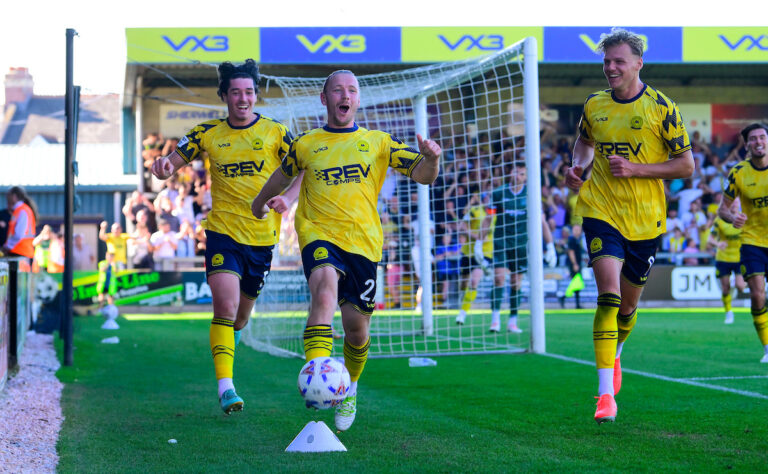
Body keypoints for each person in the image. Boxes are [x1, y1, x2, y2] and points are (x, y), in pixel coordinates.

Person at [250, 69, 441, 432]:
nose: (345, 95)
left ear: (358, 99)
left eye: (352, 90)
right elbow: (282, 175)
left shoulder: (379, 142)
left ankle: (349, 388)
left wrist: (431, 158)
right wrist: (259, 202)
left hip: (364, 244)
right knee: (324, 292)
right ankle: (318, 376)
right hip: (318, 233)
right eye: (338, 90)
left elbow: (424, 176)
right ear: (325, 99)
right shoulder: (306, 143)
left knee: (357, 330)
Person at [151, 59, 299, 415]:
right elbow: (172, 162)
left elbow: (304, 167)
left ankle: (228, 345)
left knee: (241, 319)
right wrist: (164, 167)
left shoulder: (276, 132)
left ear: (256, 95)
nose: (243, 99)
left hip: (262, 239)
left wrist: (289, 199)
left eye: (248, 92)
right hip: (222, 234)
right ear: (224, 96)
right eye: (235, 92)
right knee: (226, 307)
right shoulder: (207, 133)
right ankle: (226, 387)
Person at [564, 28, 694, 424]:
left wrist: (636, 169)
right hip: (601, 209)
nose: (610, 68)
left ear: (638, 63)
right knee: (608, 296)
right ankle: (605, 395)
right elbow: (585, 142)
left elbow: (686, 166)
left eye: (618, 61)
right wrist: (578, 166)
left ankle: (617, 353)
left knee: (628, 306)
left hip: (646, 219)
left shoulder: (662, 108)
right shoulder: (594, 104)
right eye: (606, 61)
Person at [717, 123, 768, 363]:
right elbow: (723, 210)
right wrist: (733, 218)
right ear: (747, 145)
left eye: (762, 137)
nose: (759, 142)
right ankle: (767, 348)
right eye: (753, 139)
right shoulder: (738, 172)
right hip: (752, 242)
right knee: (757, 296)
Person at [486, 162, 557, 334]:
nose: (517, 176)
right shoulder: (498, 193)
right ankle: (495, 320)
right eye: (515, 172)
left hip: (521, 244)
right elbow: (488, 218)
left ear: (526, 177)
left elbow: (542, 222)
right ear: (510, 173)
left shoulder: (531, 194)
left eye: (522, 173)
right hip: (501, 241)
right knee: (499, 278)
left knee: (516, 282)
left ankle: (513, 320)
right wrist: (479, 243)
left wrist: (550, 246)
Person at [455, 192, 495, 325]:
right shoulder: (474, 211)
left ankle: (462, 313)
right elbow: (462, 227)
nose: (489, 200)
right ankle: (463, 299)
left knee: (474, 282)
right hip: (469, 252)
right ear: (483, 199)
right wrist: (477, 237)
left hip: (486, 253)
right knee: (464, 283)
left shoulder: (497, 214)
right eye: (487, 197)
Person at [709, 200, 746, 324]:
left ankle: (735, 285)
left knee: (740, 286)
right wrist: (718, 244)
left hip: (739, 258)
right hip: (723, 258)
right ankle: (729, 312)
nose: (734, 205)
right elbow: (710, 239)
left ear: (739, 205)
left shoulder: (743, 219)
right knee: (725, 289)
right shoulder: (720, 220)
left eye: (736, 203)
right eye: (732, 203)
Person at [2, 186, 38, 271]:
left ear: (14, 196)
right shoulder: (20, 210)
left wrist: (7, 247)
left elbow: (18, 234)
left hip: (20, 253)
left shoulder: (22, 211)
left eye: (8, 195)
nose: (6, 198)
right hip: (21, 253)